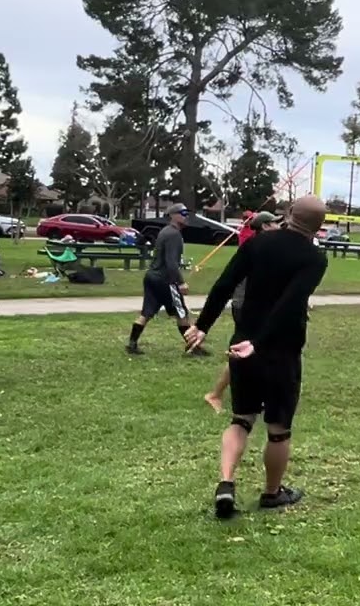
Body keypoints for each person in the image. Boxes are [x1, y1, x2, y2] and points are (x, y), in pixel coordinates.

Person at [185, 195, 329, 519]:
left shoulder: (259, 243)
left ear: (289, 214)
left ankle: (226, 483)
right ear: (320, 227)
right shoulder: (315, 259)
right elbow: (291, 303)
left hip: (243, 345)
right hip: (280, 352)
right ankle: (271, 493)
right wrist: (260, 343)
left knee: (241, 419)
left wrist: (203, 325)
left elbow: (225, 284)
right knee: (278, 429)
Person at [203, 211, 280, 413]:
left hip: (257, 306)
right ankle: (215, 394)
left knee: (258, 350)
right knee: (244, 351)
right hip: (245, 305)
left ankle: (260, 395)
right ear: (264, 226)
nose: (279, 227)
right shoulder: (255, 248)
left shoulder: (269, 248)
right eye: (274, 223)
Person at [126, 203, 204, 356]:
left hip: (151, 277)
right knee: (181, 313)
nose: (186, 216)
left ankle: (132, 343)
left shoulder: (165, 232)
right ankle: (193, 348)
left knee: (146, 313)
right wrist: (181, 282)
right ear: (173, 215)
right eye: (182, 213)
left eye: (187, 213)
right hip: (165, 280)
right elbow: (171, 263)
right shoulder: (174, 234)